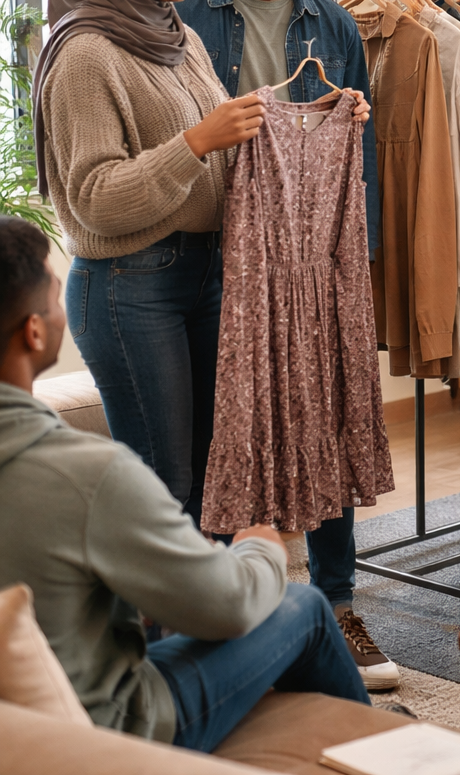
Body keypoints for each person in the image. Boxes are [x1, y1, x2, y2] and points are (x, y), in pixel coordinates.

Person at [0, 216, 371, 752]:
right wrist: (259, 546)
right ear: (34, 331)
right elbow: (230, 606)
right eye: (57, 295)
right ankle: (380, 749)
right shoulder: (88, 476)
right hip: (103, 734)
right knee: (304, 607)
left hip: (22, 718)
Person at [177, 0, 396, 691]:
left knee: (325, 414)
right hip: (212, 250)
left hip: (306, 256)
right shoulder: (185, 15)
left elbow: (355, 145)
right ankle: (226, 616)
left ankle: (337, 605)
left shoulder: (332, 23)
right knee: (228, 430)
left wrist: (348, 261)